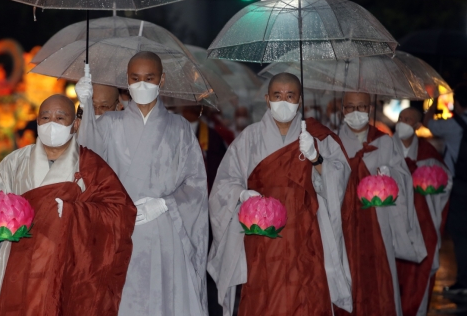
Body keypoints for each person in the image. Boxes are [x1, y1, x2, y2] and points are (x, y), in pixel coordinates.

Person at [0, 94, 136, 316]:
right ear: (37, 122)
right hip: (17, 264)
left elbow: (120, 211)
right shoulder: (16, 161)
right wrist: (0, 220)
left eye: (60, 118)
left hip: (63, 267)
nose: (52, 124)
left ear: (75, 124)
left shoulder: (90, 166)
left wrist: (75, 212)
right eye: (45, 117)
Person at [76, 51, 209, 316]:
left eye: (149, 78)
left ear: (162, 79)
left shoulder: (179, 128)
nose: (142, 85)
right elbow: (87, 162)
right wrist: (86, 107)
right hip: (122, 231)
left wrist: (165, 203)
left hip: (166, 231)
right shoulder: (108, 124)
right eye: (135, 79)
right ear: (127, 80)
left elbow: (196, 184)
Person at [209, 72, 352, 316]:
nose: (283, 102)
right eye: (277, 95)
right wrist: (242, 195)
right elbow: (224, 184)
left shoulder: (316, 137)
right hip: (262, 238)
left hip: (305, 236)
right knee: (264, 300)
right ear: (267, 99)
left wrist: (316, 158)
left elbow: (339, 182)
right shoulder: (249, 139)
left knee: (307, 299)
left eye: (290, 96)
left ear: (300, 99)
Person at [336, 92, 426, 316]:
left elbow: (404, 178)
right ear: (342, 110)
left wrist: (391, 176)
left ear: (370, 109)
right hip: (344, 222)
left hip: (379, 220)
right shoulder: (333, 143)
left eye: (362, 106)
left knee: (379, 274)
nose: (356, 112)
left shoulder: (384, 142)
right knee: (347, 275)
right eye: (351, 107)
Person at [394, 107, 451, 316]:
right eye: (401, 118)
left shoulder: (428, 153)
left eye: (408, 119)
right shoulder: (383, 148)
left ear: (417, 126)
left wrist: (428, 182)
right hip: (392, 225)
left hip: (420, 224)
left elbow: (445, 182)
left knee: (417, 276)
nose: (403, 122)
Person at [424, 83, 467, 295]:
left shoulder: (452, 125)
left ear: (458, 103)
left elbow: (427, 123)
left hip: (459, 186)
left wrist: (434, 100)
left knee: (460, 235)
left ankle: (463, 281)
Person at [179, 105, 227, 192]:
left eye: (193, 106)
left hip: (203, 186)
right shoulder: (174, 131)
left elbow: (218, 164)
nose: (189, 110)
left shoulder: (212, 135)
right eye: (187, 106)